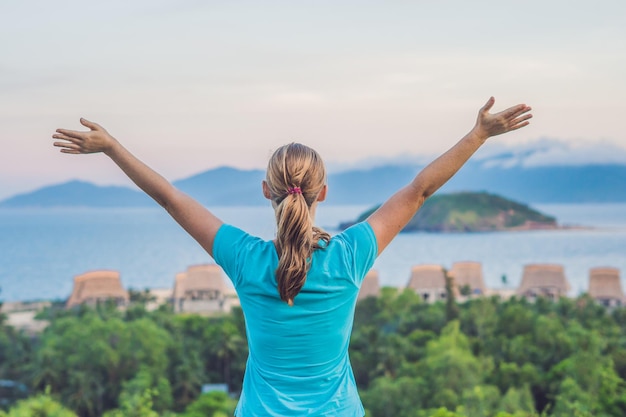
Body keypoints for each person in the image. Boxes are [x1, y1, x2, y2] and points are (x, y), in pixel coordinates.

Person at [52, 97, 531, 416]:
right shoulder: (349, 256)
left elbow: (172, 199)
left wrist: (113, 148)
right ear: (324, 191)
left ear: (266, 190)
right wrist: (478, 135)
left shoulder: (245, 259)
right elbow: (419, 190)